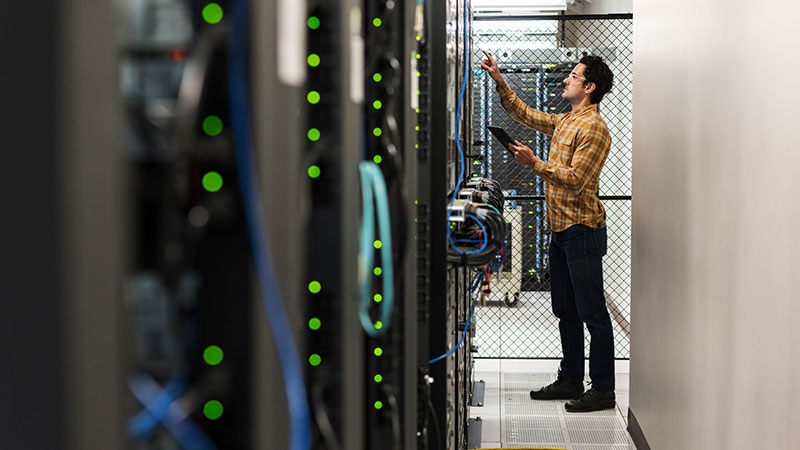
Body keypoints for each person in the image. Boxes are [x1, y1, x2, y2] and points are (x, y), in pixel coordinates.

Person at [480, 50, 616, 413]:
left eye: (574, 75)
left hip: (582, 230)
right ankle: (570, 377)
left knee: (593, 313)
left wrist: (534, 163)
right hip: (560, 229)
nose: (567, 79)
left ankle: (603, 388)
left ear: (589, 87)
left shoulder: (595, 129)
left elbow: (576, 180)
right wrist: (499, 80)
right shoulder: (566, 121)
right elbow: (525, 114)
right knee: (565, 309)